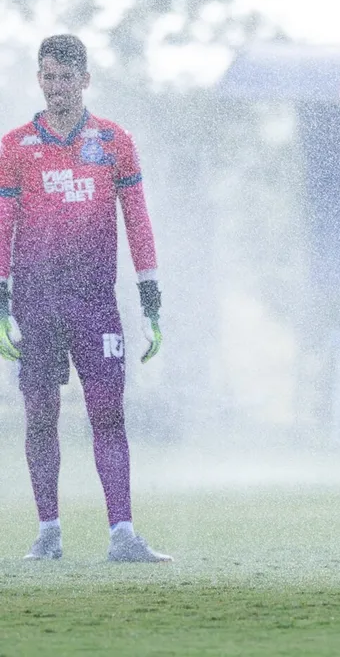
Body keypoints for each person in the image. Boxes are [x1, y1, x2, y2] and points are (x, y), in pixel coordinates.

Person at [0, 34, 169, 562]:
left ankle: (123, 535)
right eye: (48, 77)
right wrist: (1, 299)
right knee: (41, 416)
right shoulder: (14, 146)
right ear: (39, 79)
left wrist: (150, 297)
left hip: (94, 300)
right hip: (34, 300)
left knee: (107, 413)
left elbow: (137, 220)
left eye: (67, 77)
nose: (57, 88)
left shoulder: (114, 141)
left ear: (86, 80)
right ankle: (48, 533)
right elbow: (3, 222)